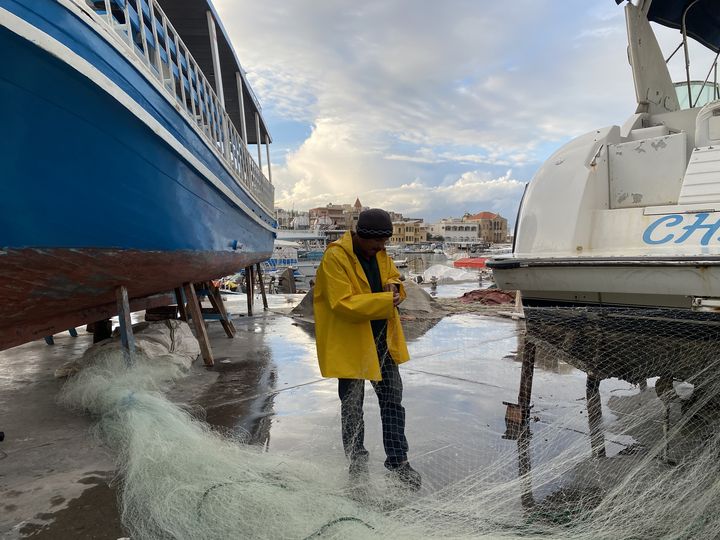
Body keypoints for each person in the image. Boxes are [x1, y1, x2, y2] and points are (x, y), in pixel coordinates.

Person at [313, 208, 421, 490]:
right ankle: (356, 461)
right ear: (361, 236)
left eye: (385, 243)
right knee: (352, 408)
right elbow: (342, 302)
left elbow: (395, 277)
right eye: (377, 243)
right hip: (353, 345)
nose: (381, 249)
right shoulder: (335, 258)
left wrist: (396, 288)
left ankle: (398, 461)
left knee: (393, 402)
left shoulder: (381, 255)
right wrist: (386, 300)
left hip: (382, 342)